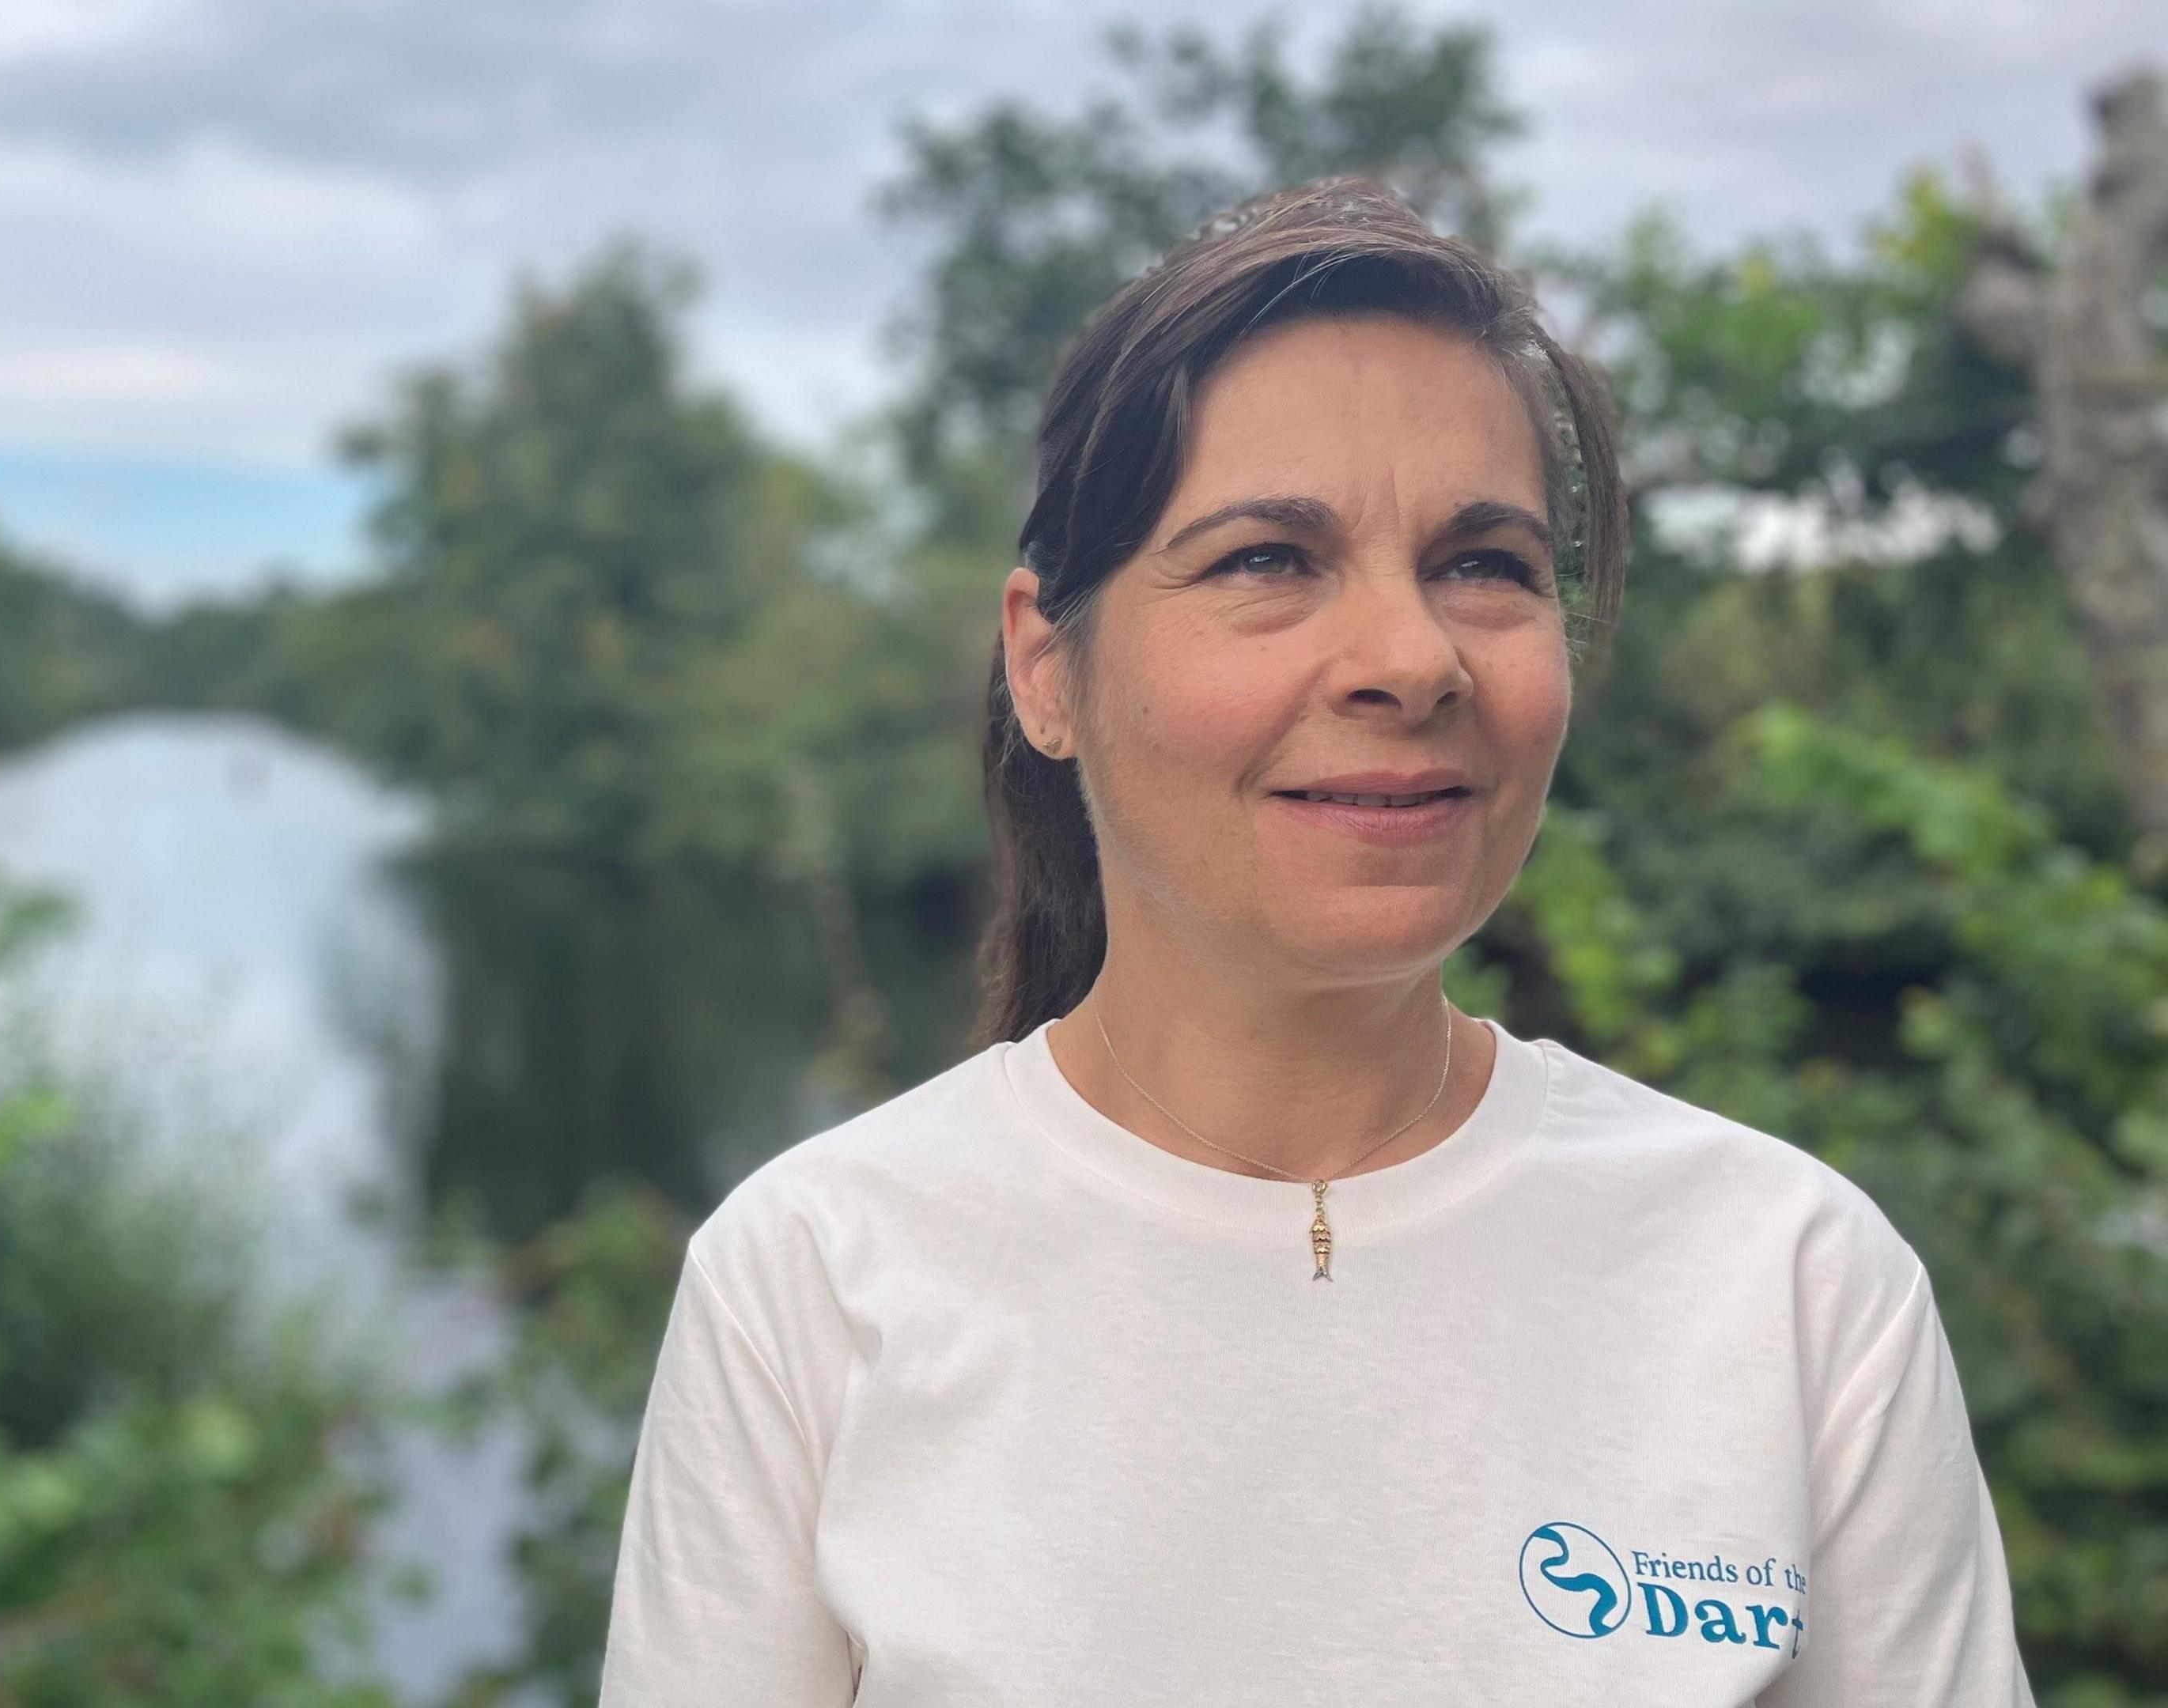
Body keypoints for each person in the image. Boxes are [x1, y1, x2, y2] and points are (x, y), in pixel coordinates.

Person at [595, 179, 2034, 1706]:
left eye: (1485, 563)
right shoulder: (814, 1278)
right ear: (1046, 668)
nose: (1411, 660)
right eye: (1268, 560)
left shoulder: (1795, 1284)